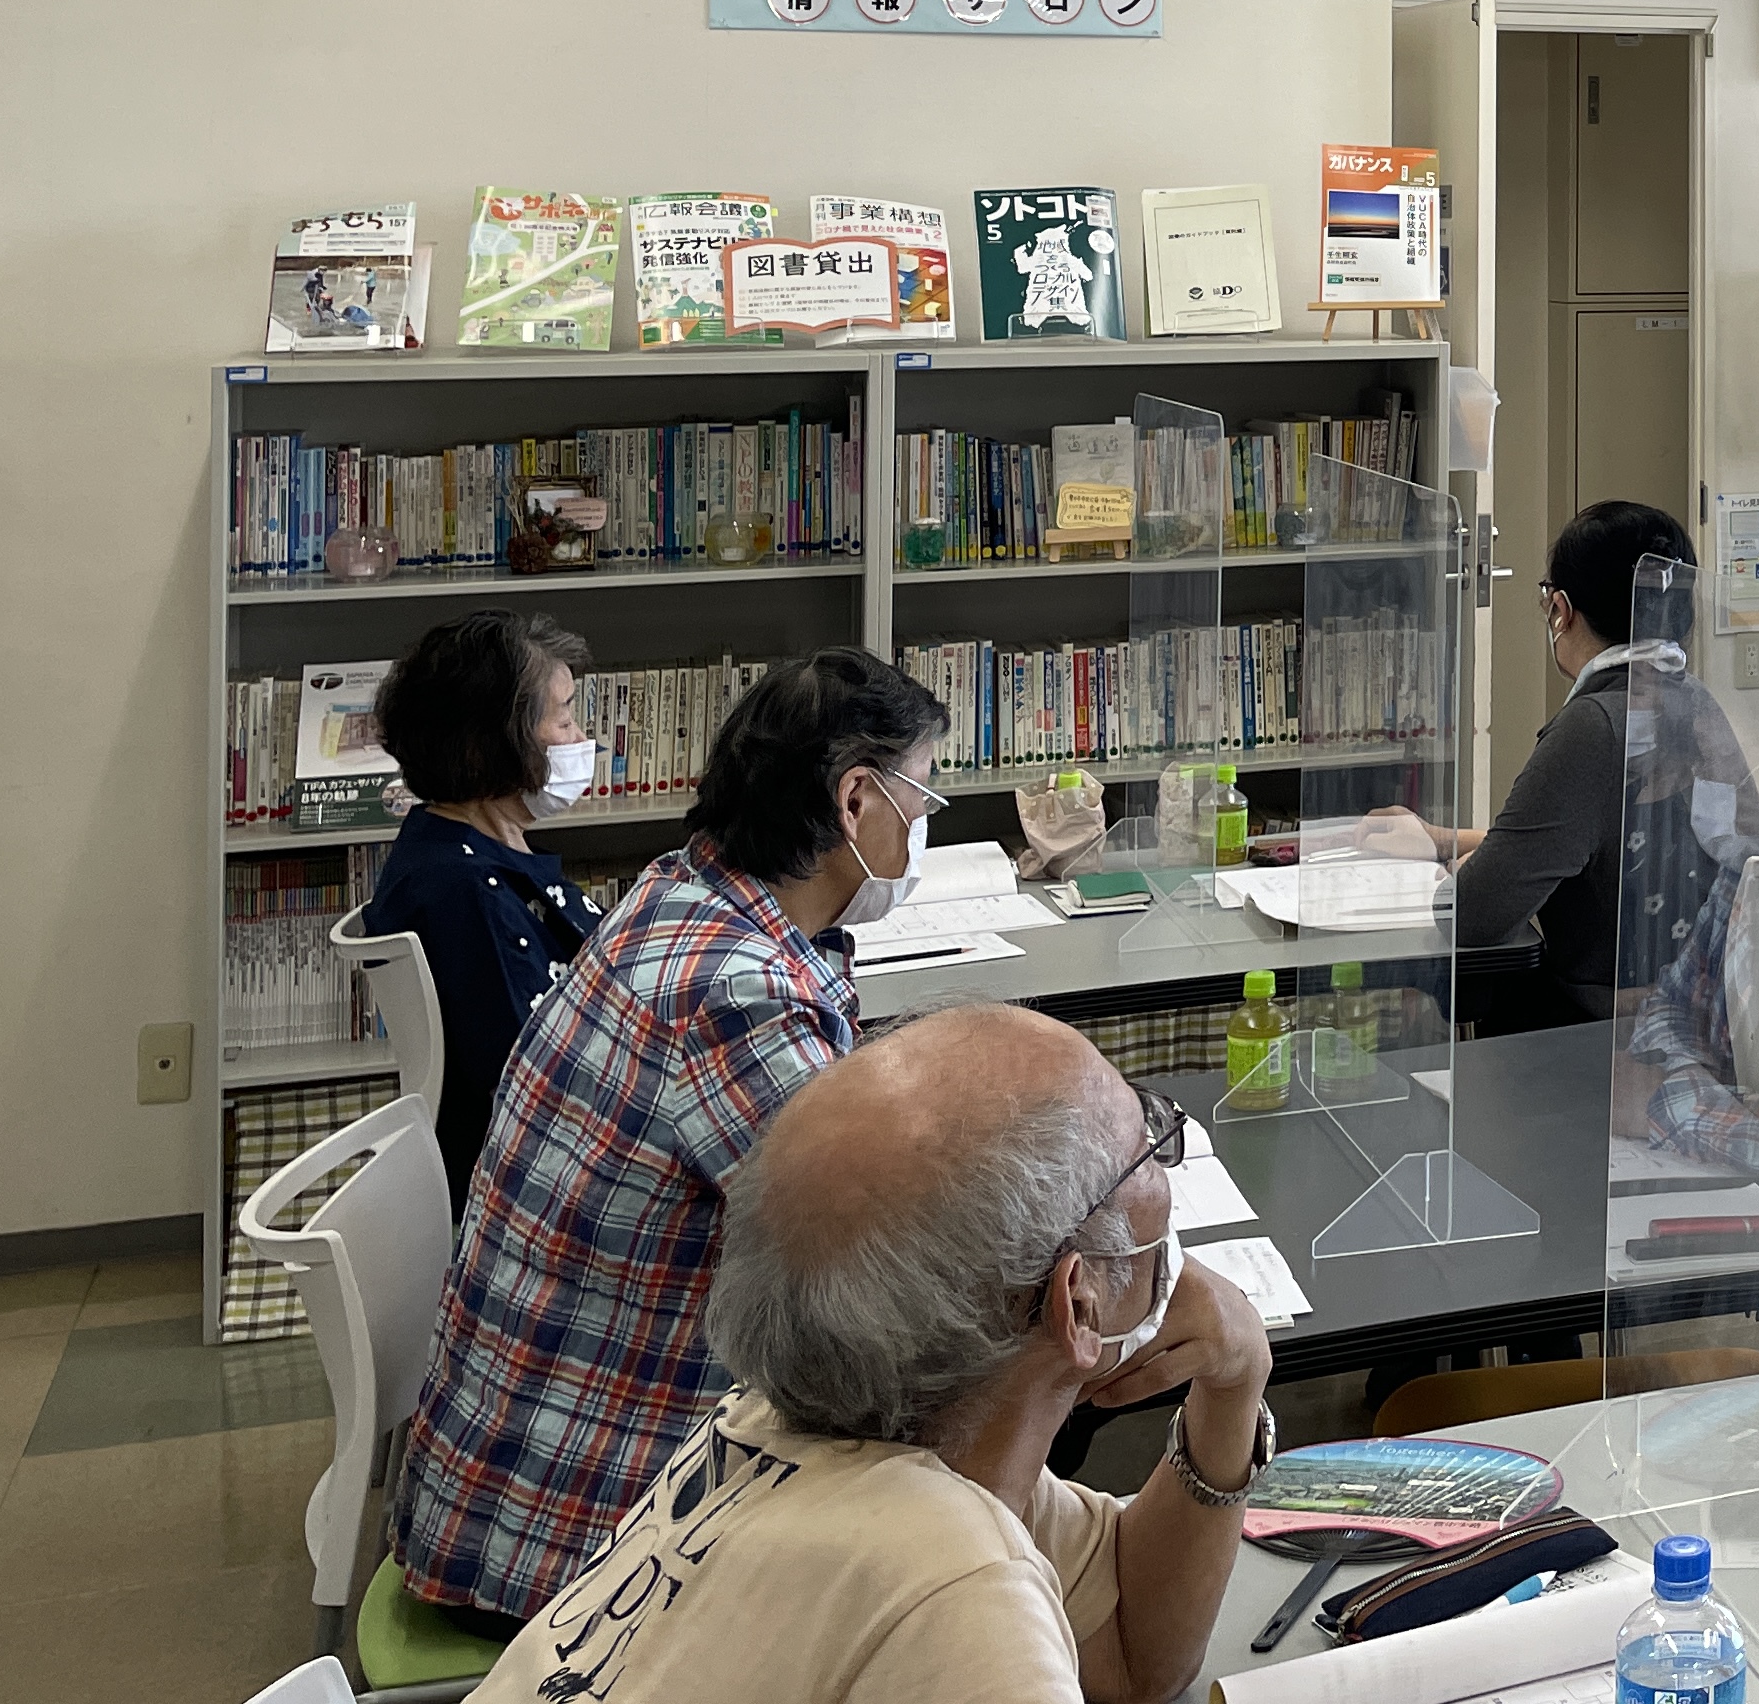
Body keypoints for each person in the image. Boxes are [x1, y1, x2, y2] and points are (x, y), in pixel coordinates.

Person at [473, 1005, 1273, 1704]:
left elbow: (1132, 1654)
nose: (1161, 1159)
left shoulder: (783, 1426)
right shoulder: (955, 1584)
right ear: (1080, 1301)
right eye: (1145, 1146)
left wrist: (1233, 1387)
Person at [390, 645, 953, 1619]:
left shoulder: (680, 890)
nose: (925, 822)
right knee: (968, 1383)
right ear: (856, 801)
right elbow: (883, 1261)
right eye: (925, 795)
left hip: (501, 1482)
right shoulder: (737, 997)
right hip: (570, 1552)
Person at [1434, 499, 1759, 1029]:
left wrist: (1457, 872)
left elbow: (1471, 915)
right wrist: (1445, 841)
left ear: (1560, 610)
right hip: (1705, 1014)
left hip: (1609, 1032)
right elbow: (1600, 845)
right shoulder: (1696, 702)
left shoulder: (1594, 727)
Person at [363, 612, 604, 1200]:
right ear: (488, 747)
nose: (581, 740)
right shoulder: (466, 889)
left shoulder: (458, 842)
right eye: (565, 720)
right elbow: (537, 1079)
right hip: (530, 1181)